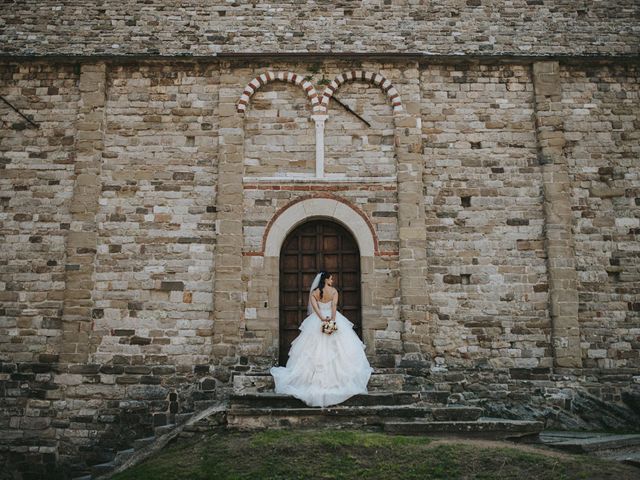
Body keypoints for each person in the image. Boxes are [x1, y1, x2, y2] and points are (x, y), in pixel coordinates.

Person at [270, 271, 374, 408]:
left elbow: (315, 309)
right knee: (338, 349)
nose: (332, 280)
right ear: (325, 279)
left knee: (312, 350)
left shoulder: (314, 292)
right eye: (331, 278)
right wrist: (332, 321)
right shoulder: (334, 292)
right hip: (332, 318)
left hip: (317, 321)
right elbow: (334, 307)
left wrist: (322, 320)